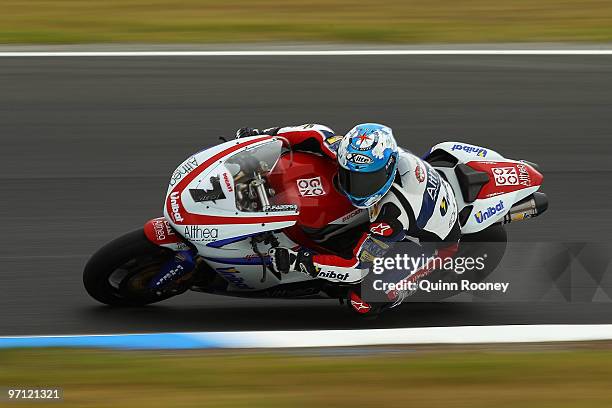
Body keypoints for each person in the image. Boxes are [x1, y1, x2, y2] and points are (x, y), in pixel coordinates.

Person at [236, 123, 460, 314]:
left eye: (367, 180)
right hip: (416, 194)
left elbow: (355, 267)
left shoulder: (393, 214)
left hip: (432, 245)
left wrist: (299, 261)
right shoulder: (355, 152)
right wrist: (264, 136)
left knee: (363, 299)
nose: (357, 187)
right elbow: (316, 133)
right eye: (349, 175)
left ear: (388, 169)